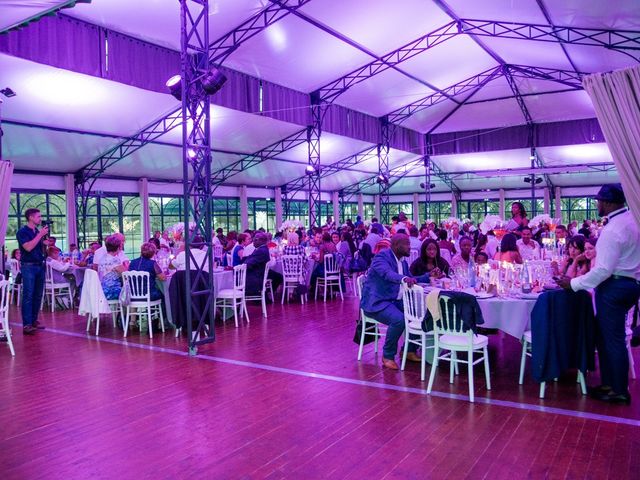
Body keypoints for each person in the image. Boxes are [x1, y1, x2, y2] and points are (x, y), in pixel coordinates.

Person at [557, 184, 640, 404]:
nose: (597, 204)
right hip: (629, 282)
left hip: (614, 286)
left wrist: (573, 283)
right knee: (606, 337)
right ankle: (609, 383)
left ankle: (619, 390)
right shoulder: (632, 220)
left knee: (612, 339)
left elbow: (603, 270)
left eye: (599, 201)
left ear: (609, 202)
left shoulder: (613, 229)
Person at [360, 234, 431, 370]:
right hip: (377, 302)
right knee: (399, 320)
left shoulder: (402, 261)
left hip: (393, 300)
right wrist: (404, 279)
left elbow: (411, 278)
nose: (410, 247)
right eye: (406, 244)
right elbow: (387, 273)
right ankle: (387, 356)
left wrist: (428, 276)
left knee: (419, 314)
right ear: (397, 245)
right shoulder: (382, 257)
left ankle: (409, 350)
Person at [16, 208, 48, 334]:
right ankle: (27, 325)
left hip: (40, 265)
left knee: (38, 295)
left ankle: (34, 320)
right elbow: (28, 248)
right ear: (31, 217)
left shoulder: (37, 231)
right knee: (28, 295)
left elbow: (37, 248)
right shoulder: (22, 232)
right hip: (28, 266)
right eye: (38, 217)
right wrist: (40, 235)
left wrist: (43, 243)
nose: (40, 219)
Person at [96, 235, 129, 300]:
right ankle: (129, 310)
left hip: (101, 290)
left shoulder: (102, 259)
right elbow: (126, 274)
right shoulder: (114, 260)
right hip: (111, 291)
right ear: (118, 247)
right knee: (131, 293)